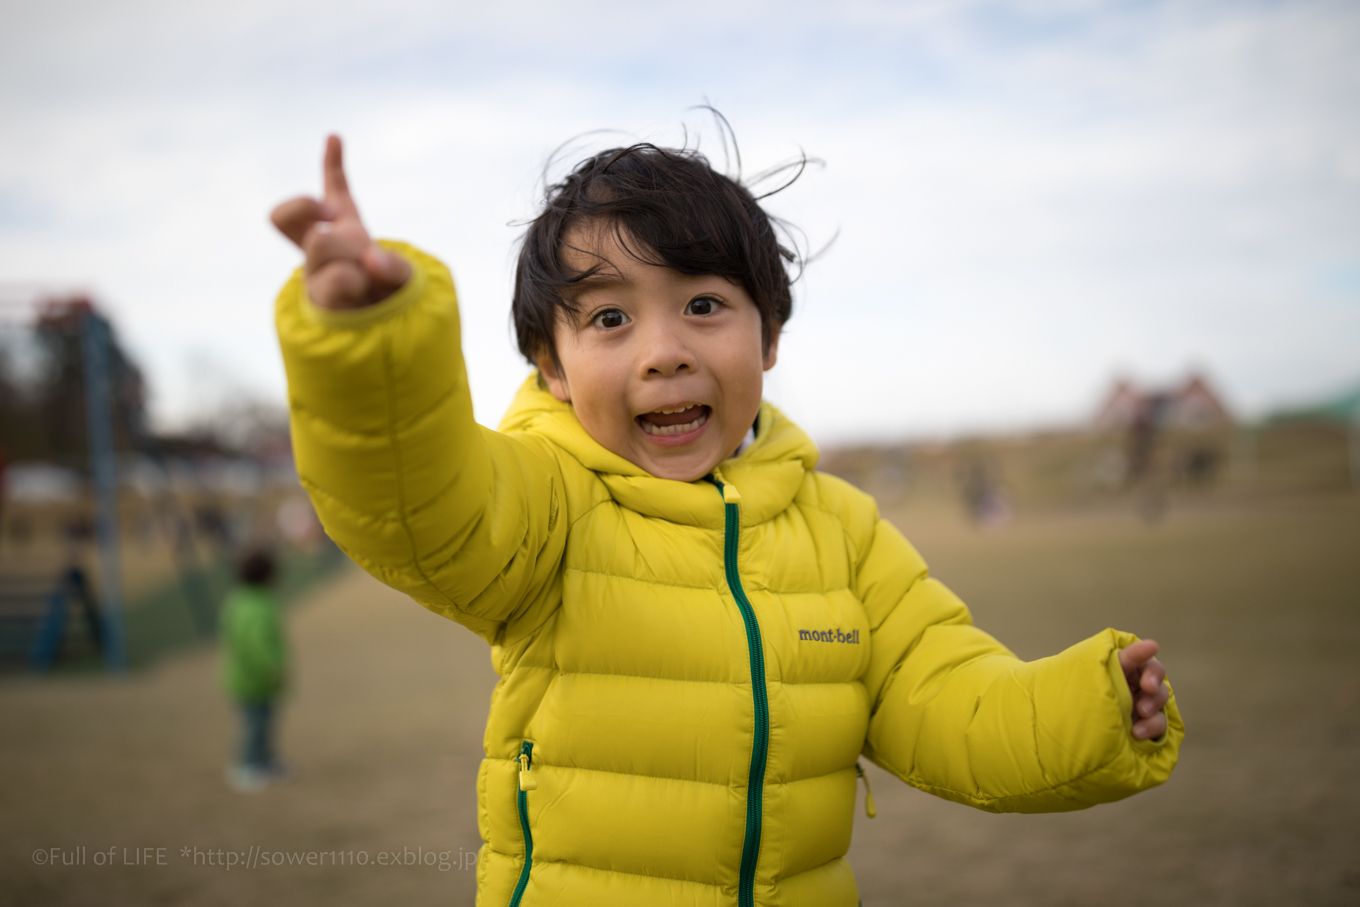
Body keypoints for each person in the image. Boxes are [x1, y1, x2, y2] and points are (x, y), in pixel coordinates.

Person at [270, 134, 1183, 905]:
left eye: (704, 305)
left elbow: (944, 696)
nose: (664, 353)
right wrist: (372, 344)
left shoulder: (842, 528)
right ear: (551, 365)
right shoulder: (548, 505)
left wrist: (1086, 709)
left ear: (770, 336)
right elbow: (417, 499)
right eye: (610, 318)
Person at [220, 547, 288, 792]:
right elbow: (256, 644)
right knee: (254, 726)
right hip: (252, 680)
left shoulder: (244, 600)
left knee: (266, 722)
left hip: (258, 680)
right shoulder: (254, 605)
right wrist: (272, 668)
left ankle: (265, 762)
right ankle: (245, 766)